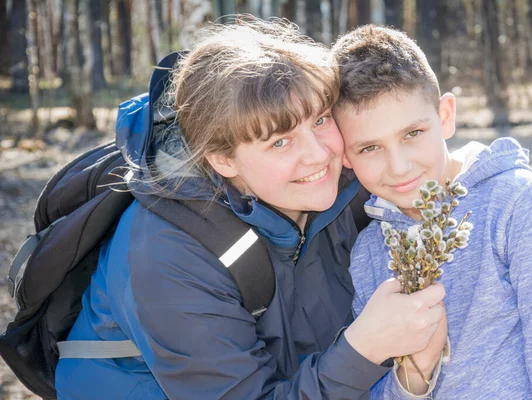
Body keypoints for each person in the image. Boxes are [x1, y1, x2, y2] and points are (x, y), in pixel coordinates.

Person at [54, 18, 448, 399]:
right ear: (222, 160)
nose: (318, 155)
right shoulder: (165, 254)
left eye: (321, 119)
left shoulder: (348, 176)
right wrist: (364, 348)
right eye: (280, 142)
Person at [332, 24, 532, 399]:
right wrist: (414, 376)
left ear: (445, 115)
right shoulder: (368, 252)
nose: (399, 166)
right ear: (345, 155)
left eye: (412, 133)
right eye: (370, 148)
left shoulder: (520, 208)